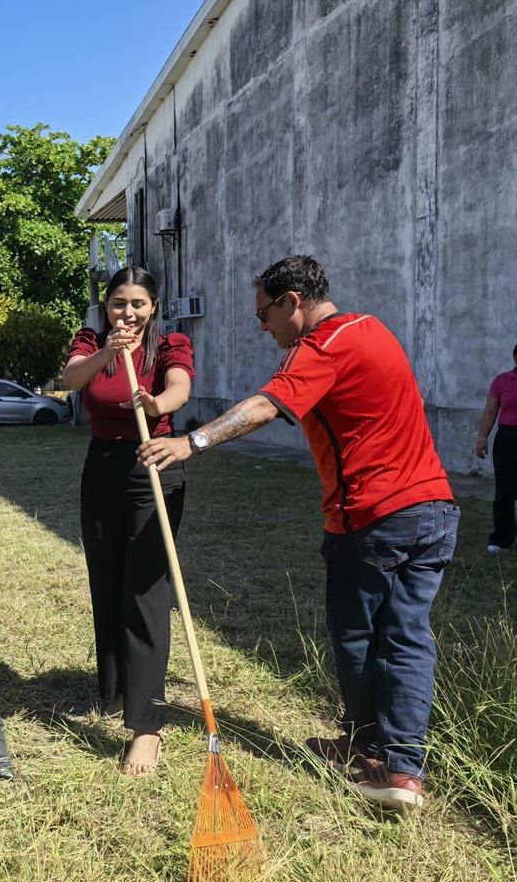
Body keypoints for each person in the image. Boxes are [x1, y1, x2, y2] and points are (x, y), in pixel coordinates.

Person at [137, 255, 458, 811]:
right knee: (407, 636)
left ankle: (376, 757)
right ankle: (399, 762)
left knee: (360, 637)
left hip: (373, 516)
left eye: (265, 314)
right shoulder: (372, 327)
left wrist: (192, 443)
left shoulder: (323, 346)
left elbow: (266, 406)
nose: (263, 327)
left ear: (293, 302)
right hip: (432, 508)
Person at [62, 266, 194, 777]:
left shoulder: (169, 343)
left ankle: (147, 727)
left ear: (154, 305)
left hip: (154, 463)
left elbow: (180, 387)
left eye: (138, 303)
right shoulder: (92, 339)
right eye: (119, 302)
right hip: (102, 465)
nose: (128, 312)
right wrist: (107, 354)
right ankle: (117, 690)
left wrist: (157, 402)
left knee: (145, 590)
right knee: (107, 580)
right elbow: (73, 379)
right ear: (108, 306)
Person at [475, 343, 517, 553]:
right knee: (505, 489)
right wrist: (482, 438)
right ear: (515, 357)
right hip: (508, 439)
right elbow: (491, 411)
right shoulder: (502, 381)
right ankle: (501, 538)